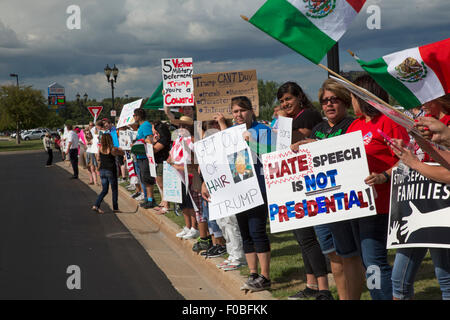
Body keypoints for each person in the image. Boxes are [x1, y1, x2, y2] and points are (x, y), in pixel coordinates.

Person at [289, 78, 365, 300]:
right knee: (333, 256)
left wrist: (317, 146)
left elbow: (349, 152)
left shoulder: (353, 125)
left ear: (345, 102)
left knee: (349, 255)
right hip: (322, 206)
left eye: (335, 100)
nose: (329, 105)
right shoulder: (320, 128)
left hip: (345, 203)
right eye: (325, 101)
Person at [346, 75, 410, 300]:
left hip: (382, 204)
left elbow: (409, 161)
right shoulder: (356, 124)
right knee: (368, 261)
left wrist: (384, 176)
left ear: (363, 96)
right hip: (358, 205)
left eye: (352, 97)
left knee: (374, 261)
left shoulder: (389, 121)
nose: (351, 103)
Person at [388, 96, 450, 300]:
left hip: (441, 210)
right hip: (419, 205)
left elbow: (448, 173)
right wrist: (407, 153)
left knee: (446, 279)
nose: (418, 98)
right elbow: (428, 158)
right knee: (399, 280)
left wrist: (414, 163)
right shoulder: (430, 120)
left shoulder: (444, 122)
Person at [277, 81, 333, 300]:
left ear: (299, 97)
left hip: (310, 185)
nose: (285, 104)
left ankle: (323, 289)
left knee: (309, 239)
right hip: (295, 185)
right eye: (282, 101)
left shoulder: (307, 116)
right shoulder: (288, 121)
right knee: (303, 239)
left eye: (288, 99)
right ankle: (311, 285)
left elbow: (299, 142)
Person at [227, 96, 272, 292]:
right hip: (238, 188)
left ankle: (265, 276)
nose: (238, 114)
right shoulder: (228, 133)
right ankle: (253, 272)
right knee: (245, 232)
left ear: (251, 111)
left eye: (242, 110)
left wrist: (252, 142)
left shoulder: (263, 130)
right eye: (235, 111)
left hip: (259, 188)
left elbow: (272, 153)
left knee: (257, 231)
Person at [92, 133, 124, 214]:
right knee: (114, 189)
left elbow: (98, 158)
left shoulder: (100, 148)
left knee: (104, 190)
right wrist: (120, 149)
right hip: (110, 170)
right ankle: (115, 208)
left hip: (102, 170)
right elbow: (122, 153)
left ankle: (96, 205)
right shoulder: (112, 149)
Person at [133, 108, 156, 209]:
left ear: (138, 116)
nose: (133, 117)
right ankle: (147, 198)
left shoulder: (145, 125)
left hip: (145, 156)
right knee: (143, 178)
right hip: (140, 156)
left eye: (134, 115)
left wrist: (141, 141)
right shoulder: (141, 126)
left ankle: (150, 200)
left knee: (147, 178)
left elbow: (150, 138)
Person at [151, 120, 172, 214]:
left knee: (162, 185)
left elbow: (154, 150)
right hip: (158, 162)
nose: (152, 130)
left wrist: (150, 142)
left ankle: (166, 205)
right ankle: (163, 202)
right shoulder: (160, 138)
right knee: (160, 185)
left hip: (162, 163)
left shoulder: (164, 139)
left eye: (153, 128)